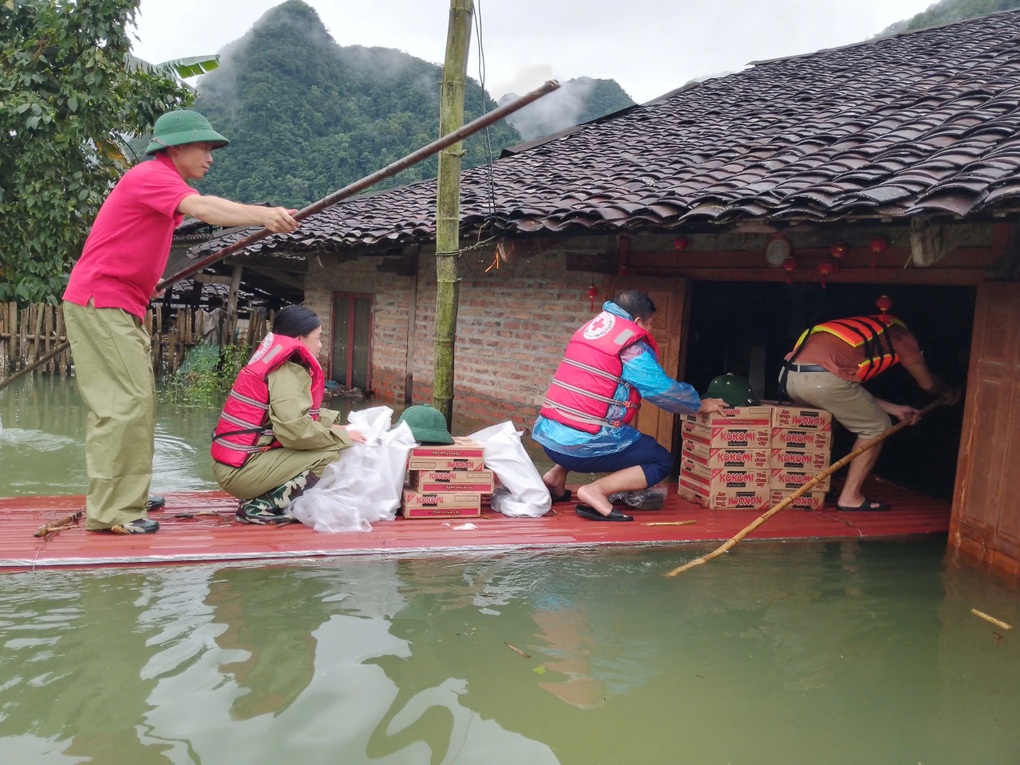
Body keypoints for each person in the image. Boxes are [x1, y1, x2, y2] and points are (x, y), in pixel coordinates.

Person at [63, 109, 300, 534]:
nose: (211, 157)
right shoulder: (150, 175)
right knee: (123, 405)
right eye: (204, 147)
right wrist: (263, 214)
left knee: (134, 402)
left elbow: (131, 240)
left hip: (120, 299)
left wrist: (145, 281)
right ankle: (114, 510)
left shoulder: (160, 183)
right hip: (103, 300)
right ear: (175, 147)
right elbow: (206, 209)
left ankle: (126, 492)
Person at [532, 290, 731, 521]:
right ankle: (596, 490)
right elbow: (663, 391)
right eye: (652, 324)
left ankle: (555, 477)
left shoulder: (590, 330)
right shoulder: (629, 344)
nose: (651, 330)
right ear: (637, 321)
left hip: (549, 439)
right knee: (660, 460)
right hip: (581, 448)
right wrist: (699, 404)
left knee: (582, 418)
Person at [779, 307, 961, 511]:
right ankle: (850, 497)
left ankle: (814, 488)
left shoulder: (857, 328)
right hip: (822, 381)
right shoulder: (902, 337)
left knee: (824, 427)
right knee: (876, 428)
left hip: (789, 377)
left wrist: (895, 409)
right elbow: (928, 384)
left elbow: (848, 392)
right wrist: (947, 390)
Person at [211, 305, 367, 524]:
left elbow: (290, 416)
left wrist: (332, 426)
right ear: (299, 339)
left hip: (234, 465)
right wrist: (341, 438)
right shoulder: (287, 370)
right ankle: (262, 507)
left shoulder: (276, 362)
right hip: (241, 472)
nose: (321, 345)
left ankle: (263, 497)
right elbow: (293, 431)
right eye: (318, 338)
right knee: (331, 456)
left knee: (332, 443)